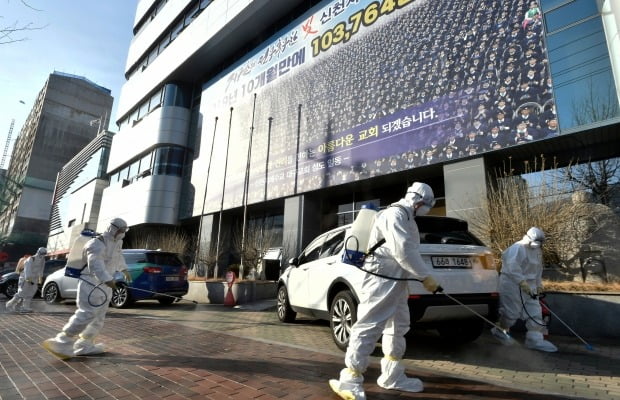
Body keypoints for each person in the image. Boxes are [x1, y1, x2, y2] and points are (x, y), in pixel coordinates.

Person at [329, 182, 441, 399]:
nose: (427, 209)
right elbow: (404, 251)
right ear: (419, 202)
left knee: (398, 325)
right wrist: (425, 277)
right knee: (370, 324)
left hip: (397, 280)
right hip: (380, 279)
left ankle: (392, 375)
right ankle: (350, 378)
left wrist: (421, 275)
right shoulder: (394, 216)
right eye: (427, 205)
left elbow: (409, 251)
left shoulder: (408, 218)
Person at [42, 218, 131, 359]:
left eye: (124, 230)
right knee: (87, 313)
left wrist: (124, 269)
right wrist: (107, 279)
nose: (122, 233)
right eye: (120, 230)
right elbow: (95, 265)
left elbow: (118, 258)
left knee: (99, 317)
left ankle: (85, 344)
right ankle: (62, 341)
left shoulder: (117, 243)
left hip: (105, 285)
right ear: (113, 228)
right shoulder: (96, 243)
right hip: (90, 282)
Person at [491, 227, 557, 352]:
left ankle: (534, 340)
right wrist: (522, 283)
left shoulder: (537, 251)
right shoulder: (518, 248)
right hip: (512, 284)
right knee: (511, 313)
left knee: (535, 312)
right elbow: (512, 267)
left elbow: (538, 269)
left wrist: (538, 285)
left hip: (530, 286)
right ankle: (500, 331)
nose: (536, 245)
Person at [6, 248, 47, 312]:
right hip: (25, 278)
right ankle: (10, 304)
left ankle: (25, 307)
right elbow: (27, 270)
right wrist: (29, 279)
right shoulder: (31, 259)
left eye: (44, 254)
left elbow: (41, 269)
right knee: (22, 292)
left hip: (34, 278)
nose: (42, 255)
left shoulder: (43, 260)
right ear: (38, 252)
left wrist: (40, 279)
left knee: (31, 293)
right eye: (42, 253)